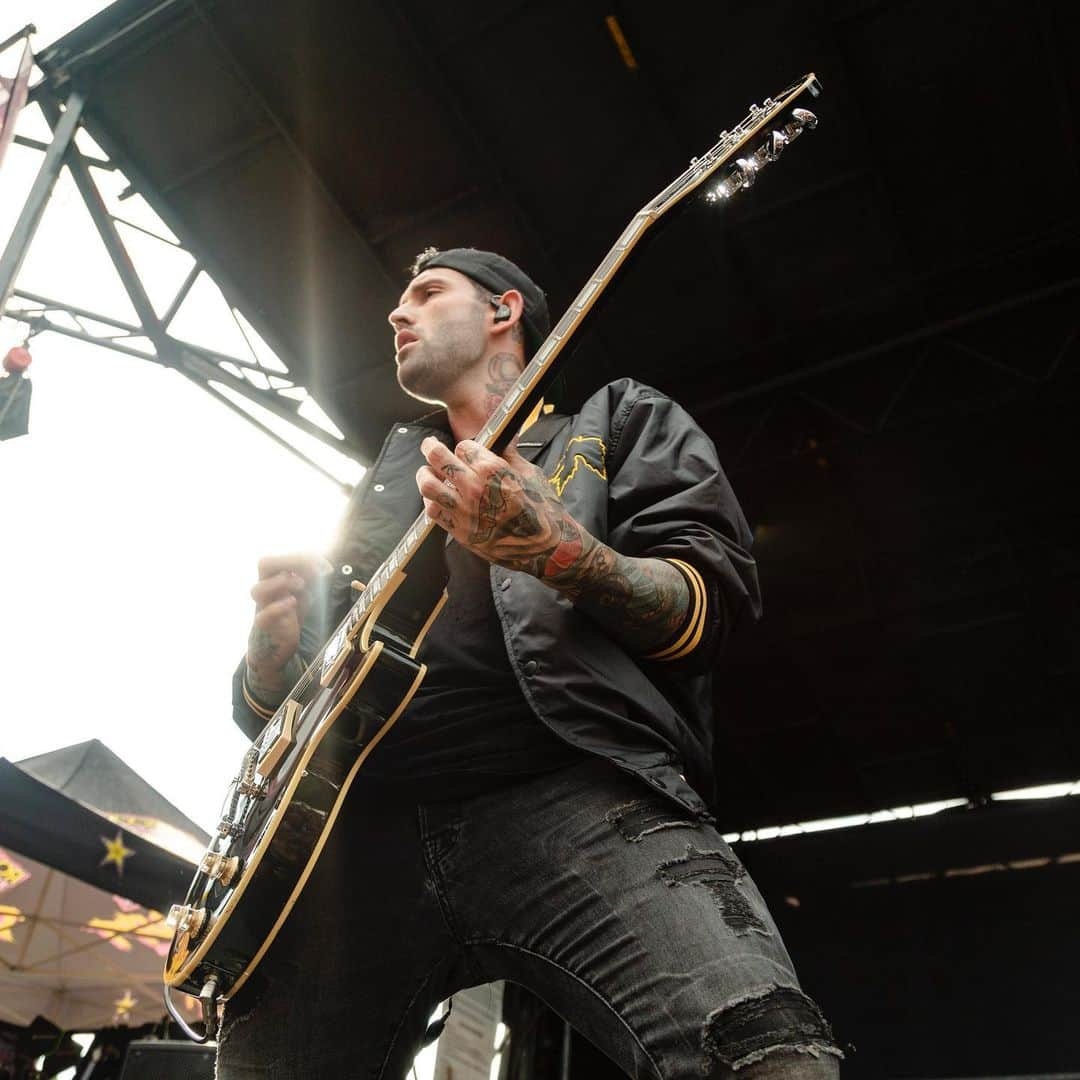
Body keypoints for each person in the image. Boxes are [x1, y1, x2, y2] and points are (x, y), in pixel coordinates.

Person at [218, 248, 842, 1078]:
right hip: (355, 838)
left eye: (426, 294)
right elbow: (285, 720)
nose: (397, 315)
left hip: (572, 795)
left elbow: (705, 610)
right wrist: (267, 669)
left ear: (504, 310)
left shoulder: (616, 421)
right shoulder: (379, 496)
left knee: (771, 1063)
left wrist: (562, 552)